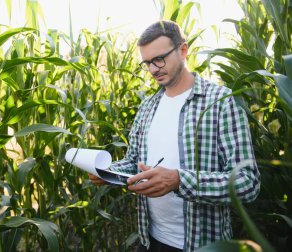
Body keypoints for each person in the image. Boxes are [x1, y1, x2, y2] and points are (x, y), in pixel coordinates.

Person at [89, 20, 260, 251]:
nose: (153, 69)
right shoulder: (147, 107)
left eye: (159, 59)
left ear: (183, 50)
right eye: (147, 63)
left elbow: (247, 183)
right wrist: (109, 173)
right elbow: (133, 163)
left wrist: (179, 180)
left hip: (202, 244)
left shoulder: (221, 102)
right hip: (151, 240)